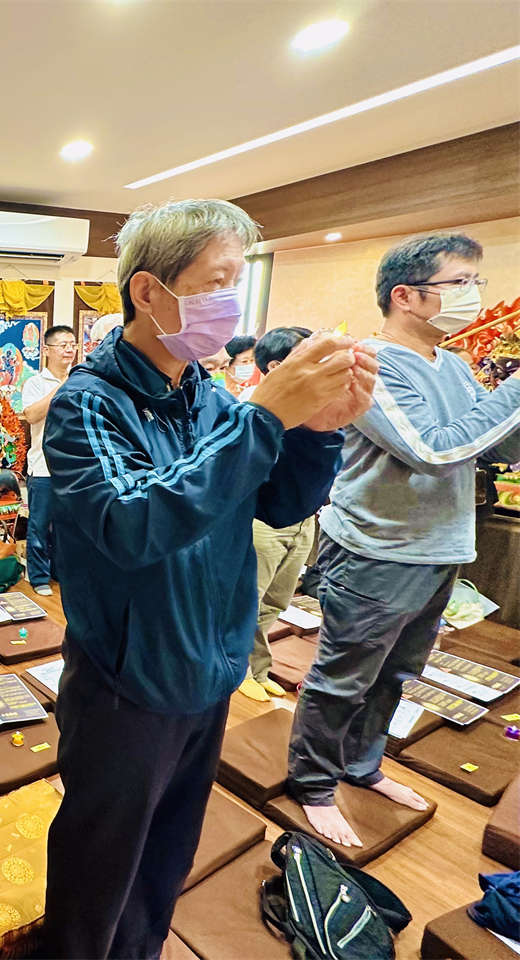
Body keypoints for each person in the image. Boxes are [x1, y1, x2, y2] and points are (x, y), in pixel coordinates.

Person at [41, 200, 378, 959]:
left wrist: (316, 433)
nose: (230, 301)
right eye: (215, 282)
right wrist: (261, 419)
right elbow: (133, 524)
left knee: (166, 857)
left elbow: (279, 502)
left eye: (237, 282)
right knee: (99, 868)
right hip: (127, 681)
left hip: (210, 665)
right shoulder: (86, 404)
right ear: (148, 291)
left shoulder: (209, 396)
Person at [287, 233, 520, 847]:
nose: (473, 294)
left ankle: (362, 765)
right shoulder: (367, 363)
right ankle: (313, 783)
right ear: (406, 296)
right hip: (377, 549)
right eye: (459, 283)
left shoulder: (456, 365)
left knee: (398, 673)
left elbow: (489, 444)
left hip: (439, 546)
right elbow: (432, 451)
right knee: (345, 677)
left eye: (476, 282)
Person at [237, 326, 317, 702]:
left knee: (276, 602)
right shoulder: (256, 405)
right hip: (265, 520)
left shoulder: (315, 404)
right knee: (249, 602)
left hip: (303, 519)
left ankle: (258, 667)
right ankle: (239, 671)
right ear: (275, 366)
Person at [20, 324, 78, 596]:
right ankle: (39, 576)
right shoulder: (35, 383)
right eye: (63, 345)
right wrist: (64, 386)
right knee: (39, 525)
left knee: (69, 526)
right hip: (42, 466)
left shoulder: (81, 379)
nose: (69, 350)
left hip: (74, 467)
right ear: (46, 350)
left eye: (73, 344)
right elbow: (31, 415)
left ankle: (62, 572)